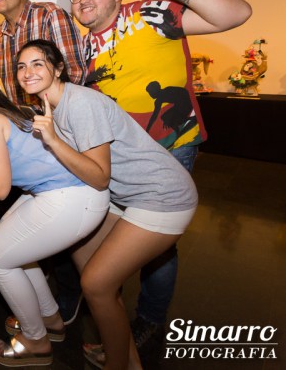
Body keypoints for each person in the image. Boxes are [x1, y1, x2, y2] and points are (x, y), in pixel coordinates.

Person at [69, 0, 251, 354]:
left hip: (169, 147)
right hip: (117, 157)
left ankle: (149, 320)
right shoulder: (81, 47)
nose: (83, 0)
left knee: (158, 246)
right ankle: (112, 318)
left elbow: (236, 13)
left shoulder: (149, 15)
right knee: (110, 240)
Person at [16, 39, 198, 369]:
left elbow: (99, 177)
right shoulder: (51, 108)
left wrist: (53, 141)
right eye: (21, 66)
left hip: (162, 195)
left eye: (37, 63)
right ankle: (126, 357)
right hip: (125, 196)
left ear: (58, 68)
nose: (28, 72)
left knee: (95, 284)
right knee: (83, 255)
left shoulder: (80, 103)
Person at [0, 63, 110, 368]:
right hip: (58, 191)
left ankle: (36, 340)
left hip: (74, 196)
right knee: (9, 246)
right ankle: (50, 320)